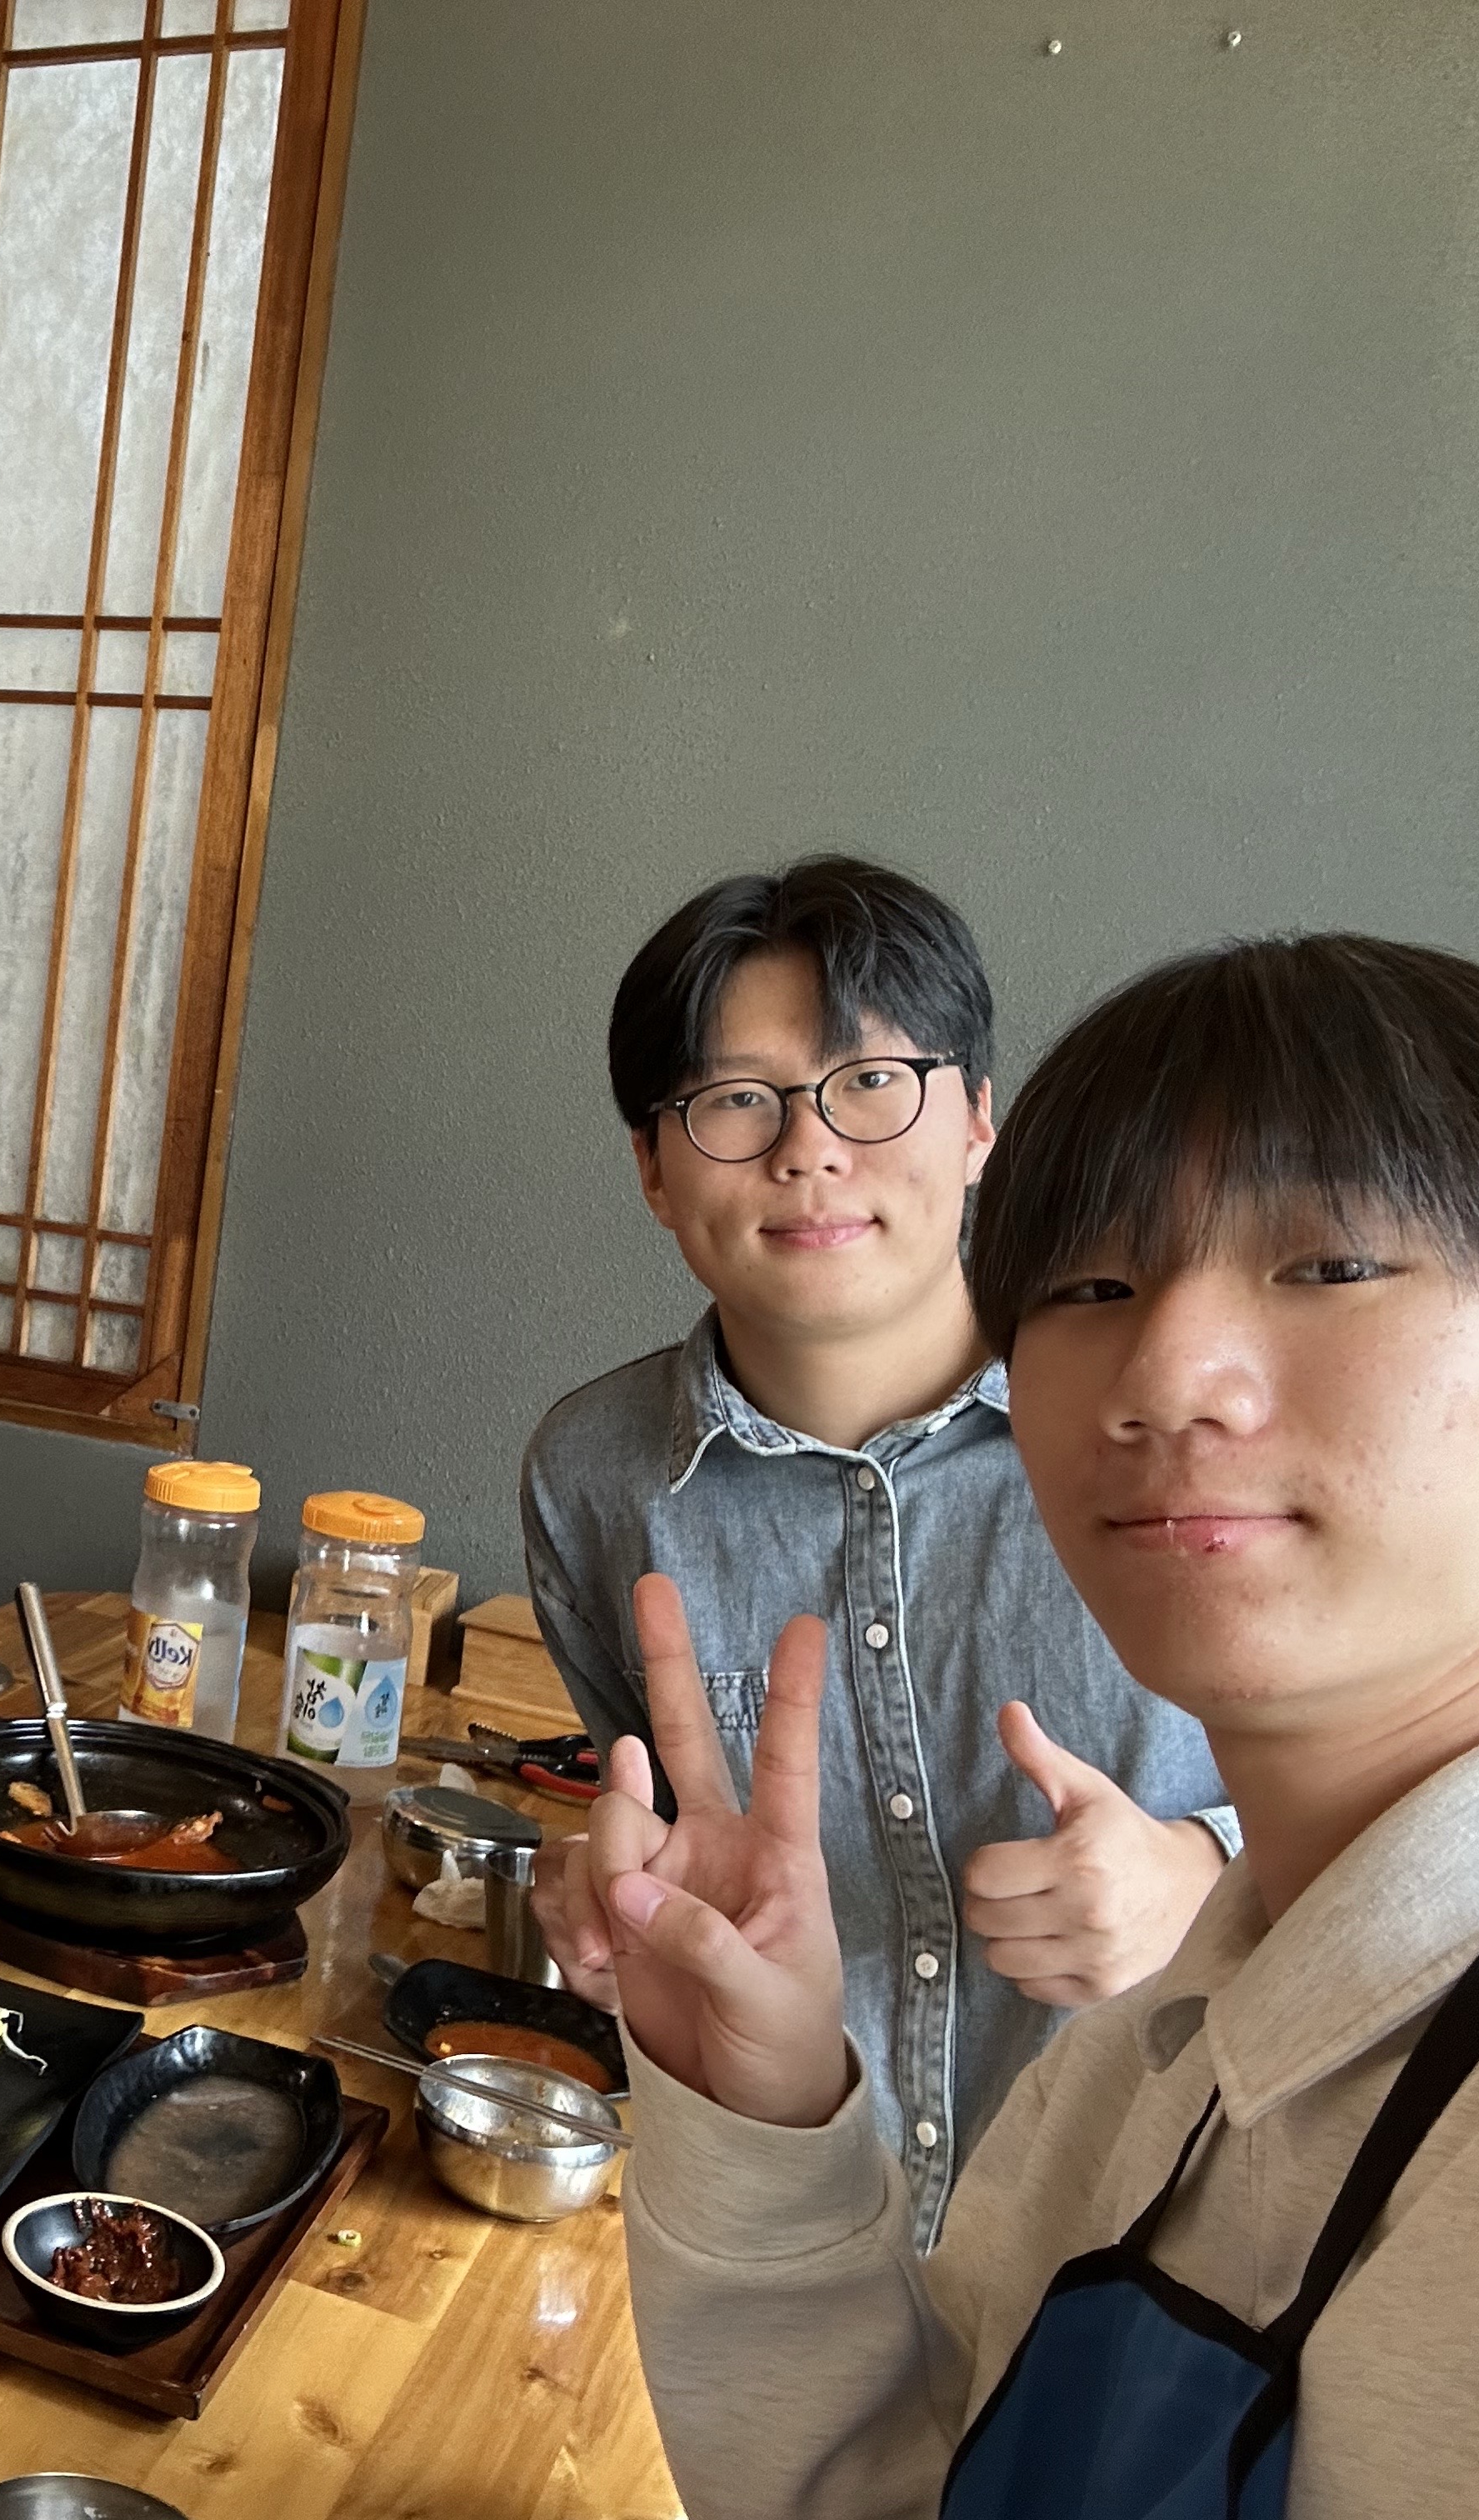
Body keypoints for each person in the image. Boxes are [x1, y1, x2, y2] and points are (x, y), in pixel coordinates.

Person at [597, 935, 1479, 2518]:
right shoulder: (1157, 2055)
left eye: (1333, 1264)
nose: (1163, 1375)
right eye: (1090, 1286)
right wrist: (767, 2101)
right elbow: (924, 2484)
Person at [521, 858, 1232, 2243]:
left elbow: (1436, 1812)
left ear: (977, 1121)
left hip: (1145, 2248)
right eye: (735, 1100)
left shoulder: (1167, 1416)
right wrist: (613, 1890)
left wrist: (1206, 1879)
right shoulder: (593, 1474)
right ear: (653, 1168)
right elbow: (675, 1825)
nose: (808, 1149)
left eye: (870, 1080)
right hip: (802, 2230)